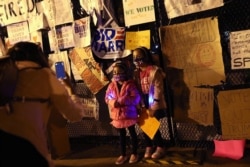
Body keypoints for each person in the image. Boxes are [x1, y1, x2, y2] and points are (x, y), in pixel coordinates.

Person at [0, 41, 85, 167]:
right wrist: (70, 89)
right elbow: (74, 115)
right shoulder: (44, 75)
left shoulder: (2, 74)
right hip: (31, 149)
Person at [132, 46, 167, 159]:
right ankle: (148, 145)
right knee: (143, 123)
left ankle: (160, 146)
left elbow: (158, 89)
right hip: (143, 100)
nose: (136, 59)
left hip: (153, 100)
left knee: (153, 124)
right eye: (134, 57)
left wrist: (154, 106)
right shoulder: (136, 73)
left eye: (139, 56)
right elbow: (136, 88)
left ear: (145, 56)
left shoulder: (154, 70)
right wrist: (140, 104)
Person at [105, 61, 141, 165]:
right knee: (121, 135)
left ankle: (134, 153)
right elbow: (107, 98)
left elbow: (136, 98)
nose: (116, 74)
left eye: (119, 72)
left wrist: (123, 101)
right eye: (115, 72)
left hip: (129, 114)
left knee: (132, 133)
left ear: (125, 72)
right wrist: (113, 102)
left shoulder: (130, 85)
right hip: (117, 116)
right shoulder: (111, 85)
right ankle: (123, 154)